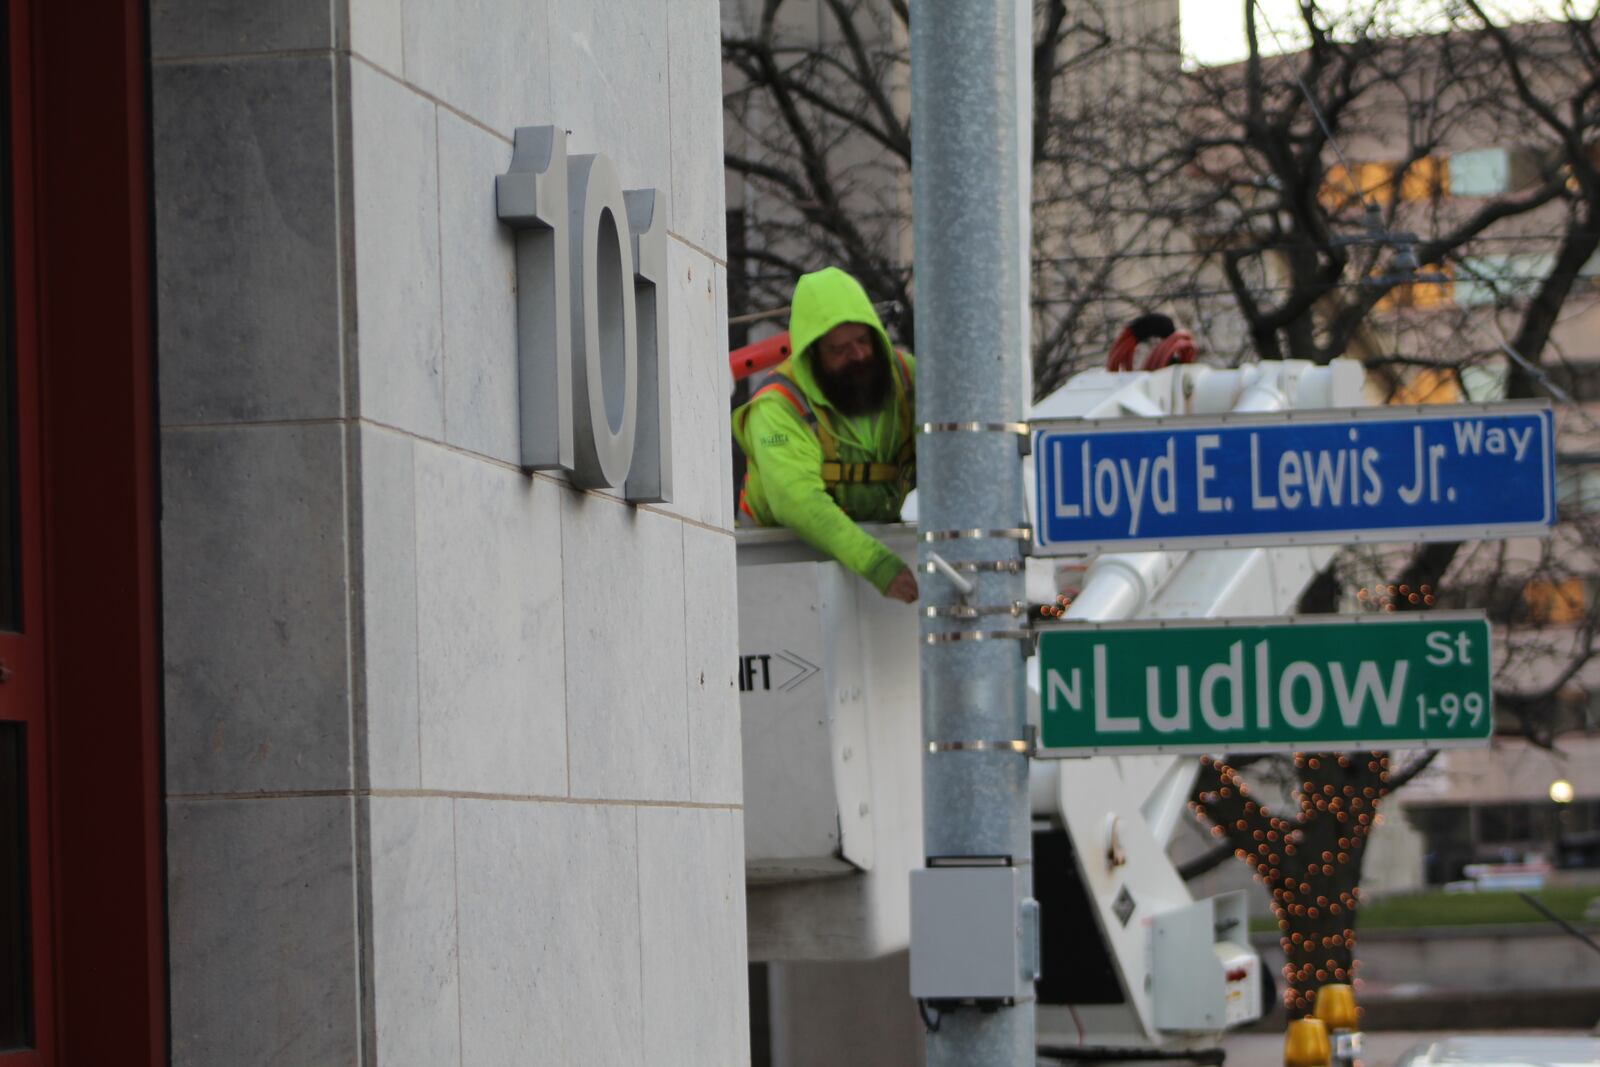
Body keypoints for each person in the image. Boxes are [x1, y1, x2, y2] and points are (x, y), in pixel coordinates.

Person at [733, 267, 919, 603]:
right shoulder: (779, 404)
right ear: (812, 353)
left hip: (876, 558)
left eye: (864, 340)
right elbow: (797, 500)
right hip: (775, 572)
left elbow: (955, 454)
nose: (859, 356)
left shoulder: (906, 379)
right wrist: (877, 563)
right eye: (840, 349)